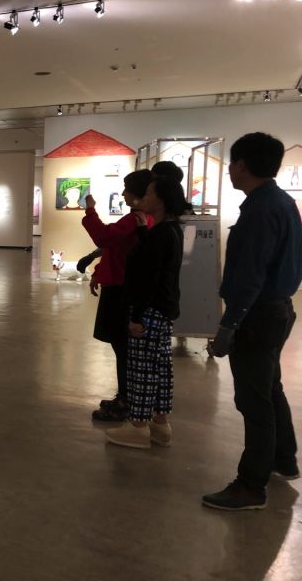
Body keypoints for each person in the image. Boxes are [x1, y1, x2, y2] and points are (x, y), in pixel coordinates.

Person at [203, 132, 302, 510]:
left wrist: (229, 325)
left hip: (257, 315)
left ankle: (250, 486)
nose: (230, 170)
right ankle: (283, 458)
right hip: (277, 310)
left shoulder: (260, 210)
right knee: (269, 388)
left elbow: (250, 275)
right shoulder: (282, 202)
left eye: (232, 163)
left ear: (242, 165)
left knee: (254, 399)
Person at [105, 175, 188, 449]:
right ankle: (160, 424)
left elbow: (148, 277)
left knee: (141, 370)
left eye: (150, 193)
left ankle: (138, 427)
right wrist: (143, 233)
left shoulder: (162, 233)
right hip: (164, 309)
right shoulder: (171, 230)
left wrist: (137, 316)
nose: (144, 197)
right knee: (160, 367)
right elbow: (155, 259)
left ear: (161, 200)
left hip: (149, 311)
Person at [82, 170, 154, 422]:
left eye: (126, 188)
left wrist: (90, 210)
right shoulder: (139, 219)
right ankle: (125, 396)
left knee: (123, 347)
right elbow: (114, 248)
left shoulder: (138, 219)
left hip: (122, 289)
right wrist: (98, 272)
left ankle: (125, 400)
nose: (123, 193)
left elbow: (105, 237)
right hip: (117, 285)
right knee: (120, 346)